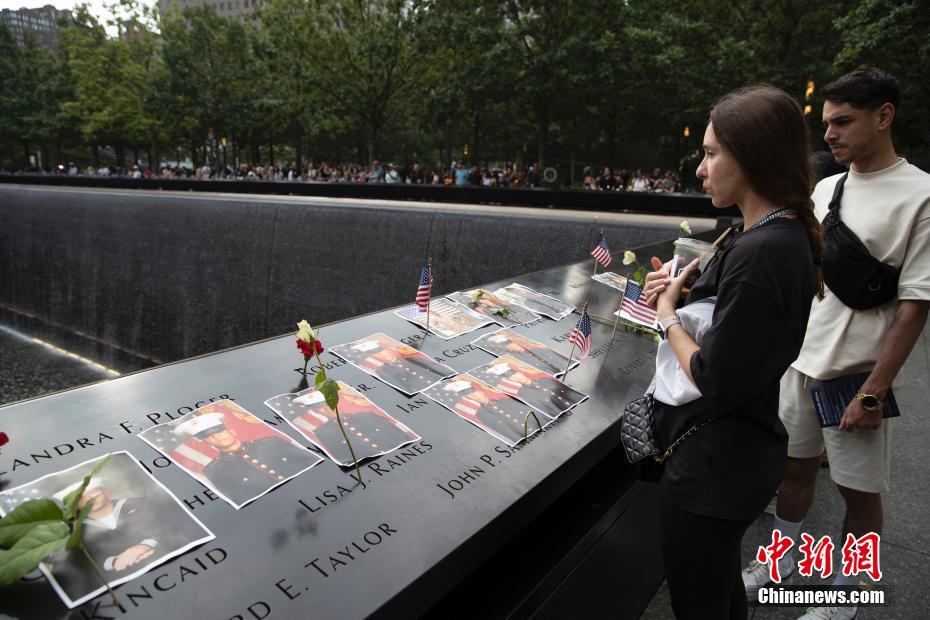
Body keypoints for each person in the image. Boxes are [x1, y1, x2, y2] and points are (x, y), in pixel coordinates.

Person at [741, 67, 930, 619]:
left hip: (856, 373)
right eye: (826, 122)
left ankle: (846, 599)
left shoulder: (921, 195)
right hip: (800, 361)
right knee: (795, 471)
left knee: (858, 493)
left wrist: (873, 393)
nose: (829, 134)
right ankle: (780, 564)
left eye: (843, 122)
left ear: (884, 115)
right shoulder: (827, 187)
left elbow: (916, 307)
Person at [642, 84, 820, 618]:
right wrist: (682, 287)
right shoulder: (767, 233)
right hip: (739, 454)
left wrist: (669, 316)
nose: (701, 167)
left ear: (753, 154)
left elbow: (713, 375)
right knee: (718, 592)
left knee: (699, 601)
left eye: (711, 152)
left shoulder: (763, 248)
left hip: (714, 466)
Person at [173, 412, 315, 506]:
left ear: (231, 431)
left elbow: (310, 461)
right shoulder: (215, 471)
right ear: (206, 443)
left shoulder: (271, 442)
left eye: (219, 431)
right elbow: (243, 501)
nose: (216, 436)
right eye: (209, 436)